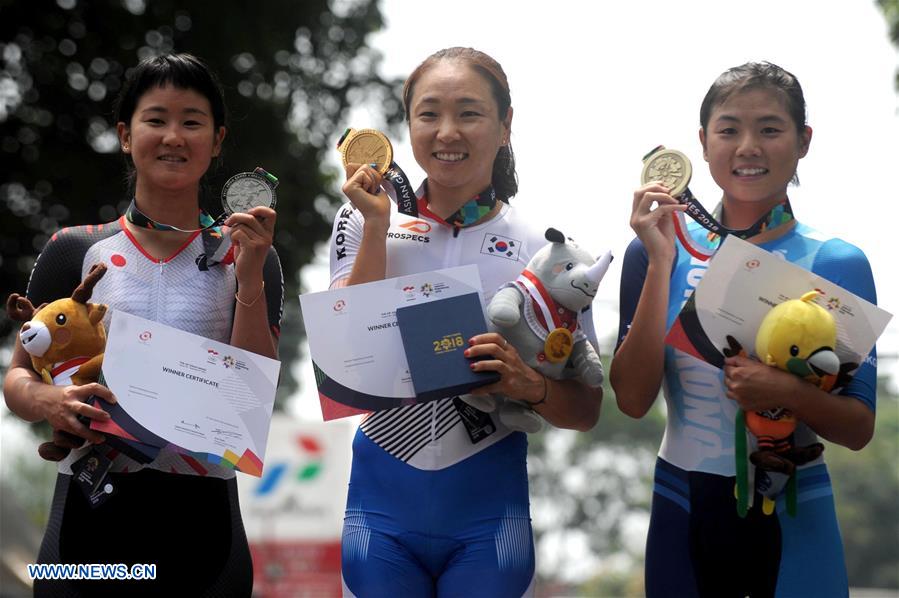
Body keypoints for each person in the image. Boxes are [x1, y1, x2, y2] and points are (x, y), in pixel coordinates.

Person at [3, 53, 283, 597]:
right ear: (126, 136)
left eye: (193, 121)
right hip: (86, 518)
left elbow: (252, 402)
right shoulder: (74, 250)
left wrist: (248, 278)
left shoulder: (253, 255)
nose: (173, 136)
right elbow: (16, 380)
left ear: (218, 140)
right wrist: (51, 404)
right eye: (156, 120)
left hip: (204, 529)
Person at [329, 47, 603, 597]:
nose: (447, 131)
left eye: (469, 113)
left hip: (487, 517)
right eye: (429, 114)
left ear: (505, 126)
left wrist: (531, 386)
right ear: (407, 126)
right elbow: (342, 359)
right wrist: (378, 228)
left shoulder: (544, 251)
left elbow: (586, 410)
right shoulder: (361, 218)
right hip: (381, 511)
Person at [610, 61, 878, 597]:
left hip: (795, 517)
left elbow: (857, 428)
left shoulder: (835, 262)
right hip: (682, 511)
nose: (748, 146)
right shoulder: (654, 250)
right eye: (729, 129)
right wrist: (662, 264)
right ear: (703, 143)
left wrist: (785, 390)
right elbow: (633, 400)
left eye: (770, 129)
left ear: (803, 141)